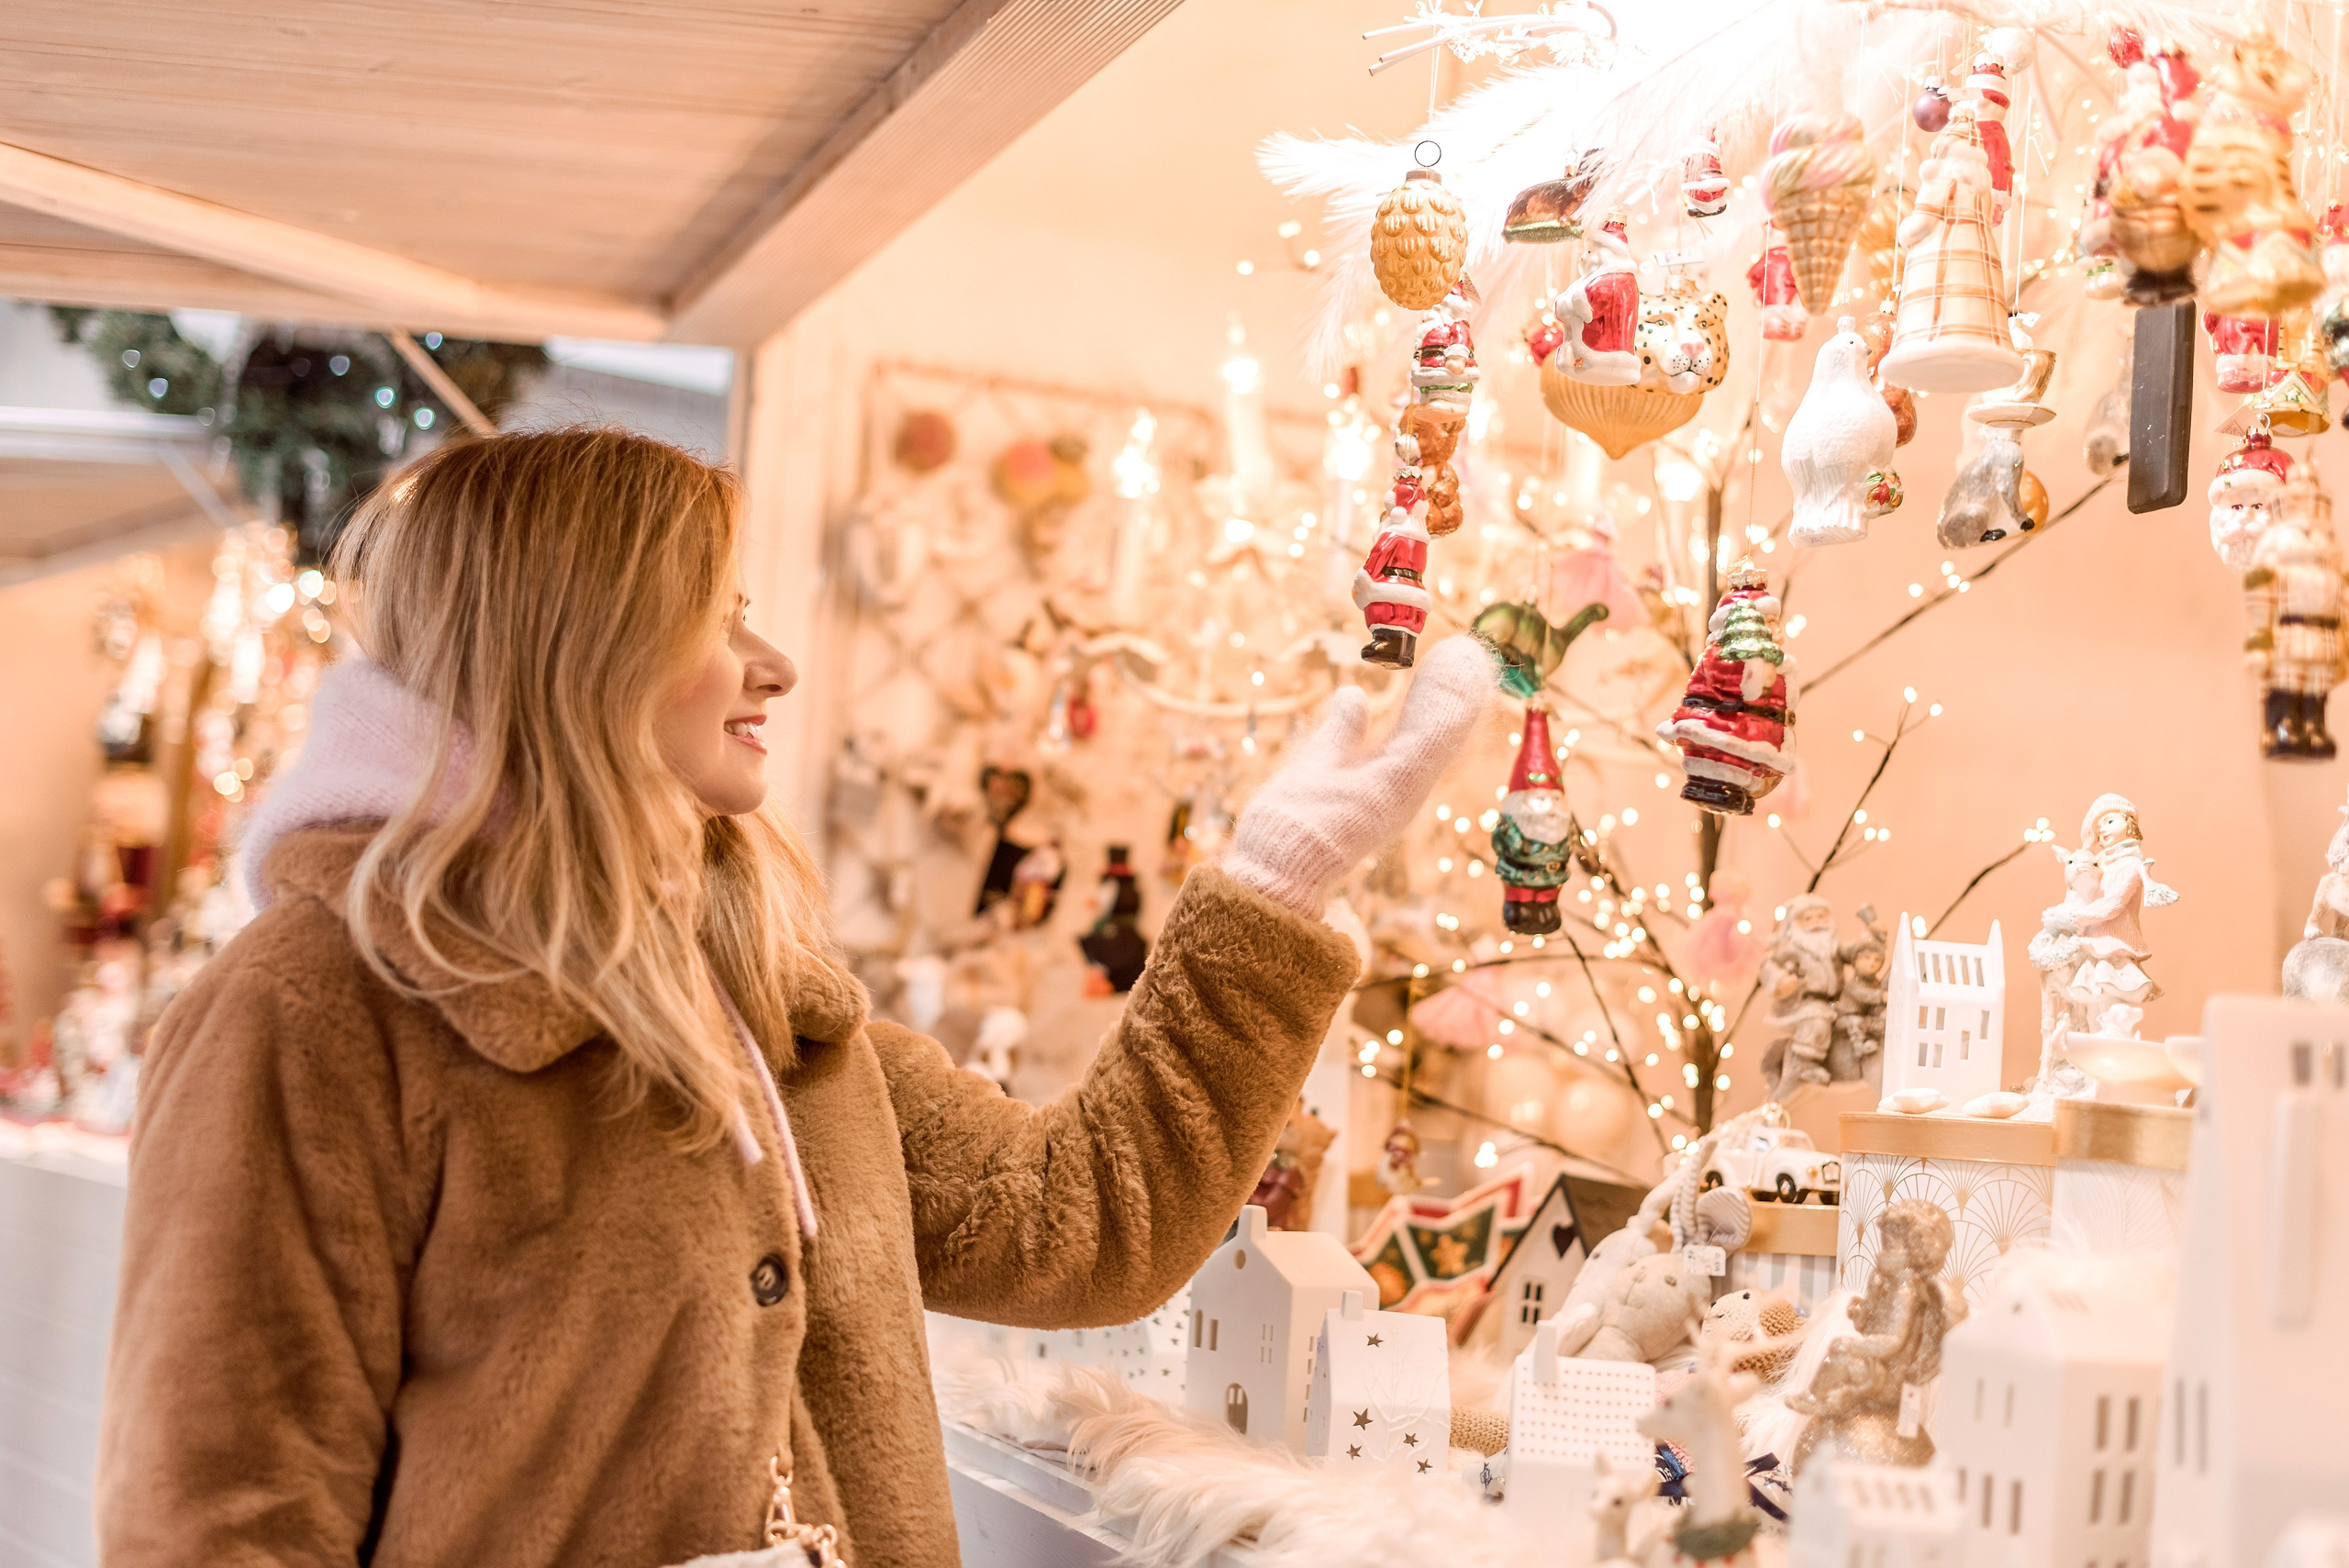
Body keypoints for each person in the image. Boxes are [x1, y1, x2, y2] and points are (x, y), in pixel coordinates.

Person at [95, 428, 1490, 1568]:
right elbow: (223, 1517)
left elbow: (1087, 1217)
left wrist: (1271, 880)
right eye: (723, 615)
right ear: (581, 639)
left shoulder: (761, 1004)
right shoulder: (311, 1005)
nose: (776, 665)